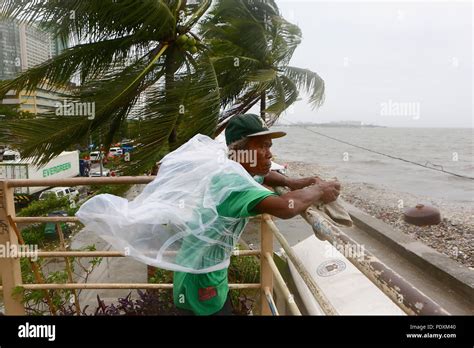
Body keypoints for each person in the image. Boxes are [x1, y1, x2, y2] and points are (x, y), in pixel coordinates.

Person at [173, 113, 341, 315]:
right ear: (239, 152)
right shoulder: (235, 185)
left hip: (200, 271)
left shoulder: (232, 169)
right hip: (201, 284)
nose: (269, 153)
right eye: (261, 146)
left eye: (269, 146)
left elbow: (263, 175)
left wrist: (291, 182)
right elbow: (286, 206)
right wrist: (321, 190)